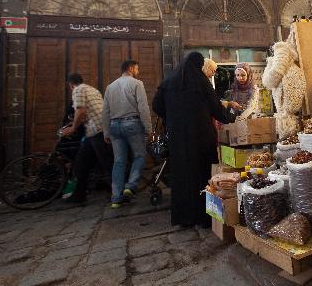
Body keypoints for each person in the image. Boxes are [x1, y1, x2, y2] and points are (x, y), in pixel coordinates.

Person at [152, 52, 236, 228]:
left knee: (182, 176)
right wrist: (231, 118)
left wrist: (173, 117)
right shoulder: (201, 82)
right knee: (202, 175)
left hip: (178, 139)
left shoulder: (169, 82)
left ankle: (184, 218)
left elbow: (157, 106)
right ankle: (204, 218)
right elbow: (216, 109)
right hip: (201, 138)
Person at [102, 60, 152, 208]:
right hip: (132, 123)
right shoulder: (137, 84)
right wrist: (148, 127)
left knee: (119, 161)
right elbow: (143, 107)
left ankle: (116, 198)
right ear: (130, 68)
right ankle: (130, 186)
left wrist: (106, 131)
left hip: (114, 126)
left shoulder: (110, 87)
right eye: (137, 68)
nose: (138, 71)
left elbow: (105, 111)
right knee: (140, 155)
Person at [62, 74, 113, 204]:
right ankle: (79, 194)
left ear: (70, 84)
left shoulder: (77, 90)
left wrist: (73, 128)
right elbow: (88, 112)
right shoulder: (93, 89)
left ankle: (120, 192)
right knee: (81, 162)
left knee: (107, 164)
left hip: (98, 130)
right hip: (95, 130)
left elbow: (81, 111)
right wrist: (75, 123)